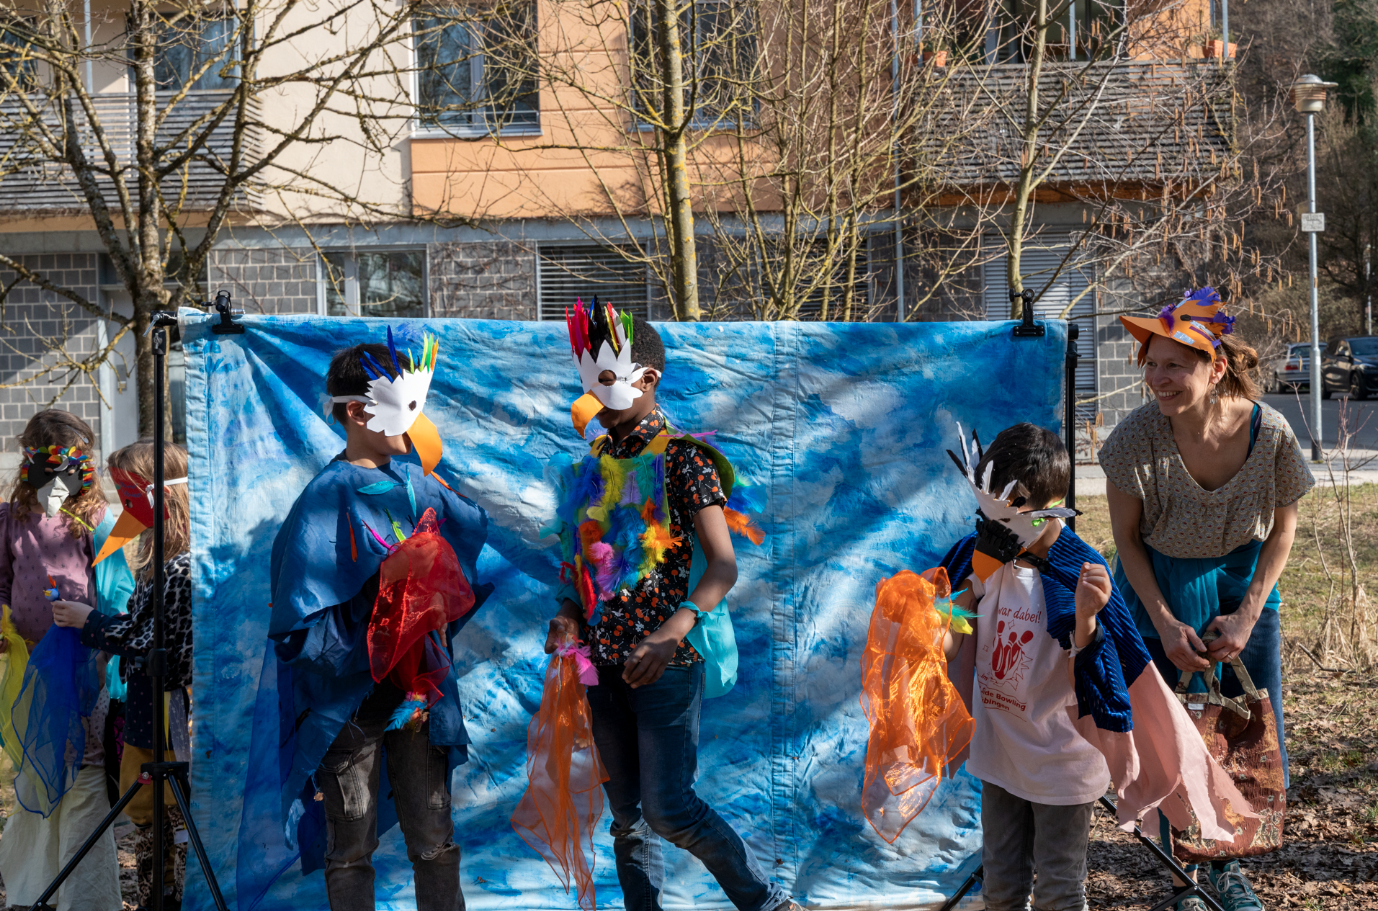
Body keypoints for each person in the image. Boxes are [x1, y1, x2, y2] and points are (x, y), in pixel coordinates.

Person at [544, 302, 801, 911]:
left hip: (668, 661)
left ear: (648, 379)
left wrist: (670, 634)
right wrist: (568, 612)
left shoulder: (684, 459)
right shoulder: (591, 465)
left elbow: (723, 565)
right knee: (627, 819)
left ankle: (766, 902)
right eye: (589, 379)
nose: (596, 394)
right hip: (603, 665)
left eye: (609, 378)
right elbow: (580, 564)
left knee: (669, 809)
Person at [1100, 288, 1313, 911]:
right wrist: (1164, 623)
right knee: (1171, 740)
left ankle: (1230, 867)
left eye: (1175, 365)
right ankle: (1185, 882)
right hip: (1157, 591)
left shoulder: (1269, 432)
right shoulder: (1133, 439)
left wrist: (1248, 614)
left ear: (1215, 369)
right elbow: (1126, 542)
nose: (1157, 379)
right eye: (1151, 364)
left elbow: (1284, 530)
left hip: (1242, 590)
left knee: (1241, 734)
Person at [267, 330, 489, 911]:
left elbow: (464, 546)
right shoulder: (325, 498)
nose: (417, 424)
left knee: (434, 836)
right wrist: (384, 578)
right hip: (349, 701)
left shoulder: (419, 485)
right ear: (359, 412)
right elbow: (299, 622)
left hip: (418, 693)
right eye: (404, 407)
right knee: (350, 846)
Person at [939, 423, 1113, 911]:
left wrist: (1086, 617)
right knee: (1001, 890)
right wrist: (961, 594)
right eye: (989, 515)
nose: (998, 530)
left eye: (1012, 518)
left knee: (1059, 892)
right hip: (1001, 753)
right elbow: (947, 643)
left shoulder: (1079, 571)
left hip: (1062, 761)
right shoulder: (985, 562)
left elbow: (1095, 673)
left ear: (1053, 508)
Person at [53, 440, 194, 911]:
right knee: (145, 813)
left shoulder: (183, 570)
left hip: (172, 716)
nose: (125, 507)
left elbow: (158, 644)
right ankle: (157, 897)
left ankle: (181, 898)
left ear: (161, 497)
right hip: (142, 710)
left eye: (130, 494)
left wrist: (90, 623)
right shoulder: (157, 562)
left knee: (177, 812)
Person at [0, 410, 132, 911]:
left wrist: (103, 643)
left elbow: (116, 590)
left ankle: (84, 895)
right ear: (28, 463)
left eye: (69, 472)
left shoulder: (96, 519)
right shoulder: (12, 519)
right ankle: (36, 886)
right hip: (31, 666)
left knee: (84, 770)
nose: (57, 484)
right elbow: (2, 582)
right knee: (38, 767)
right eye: (46, 471)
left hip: (85, 665)